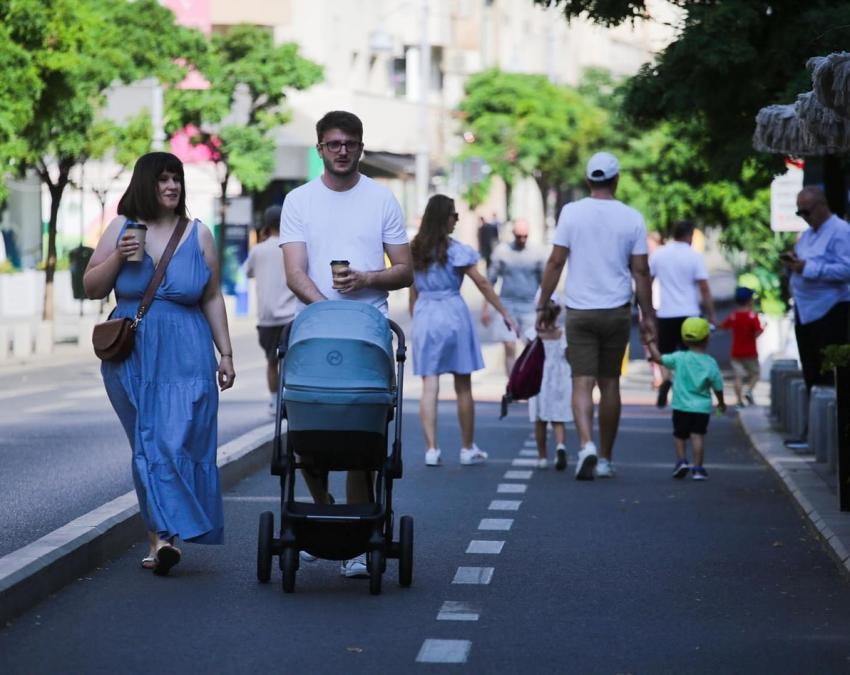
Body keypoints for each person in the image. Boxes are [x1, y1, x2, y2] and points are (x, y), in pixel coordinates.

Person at [83, 152, 235, 575]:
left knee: (178, 442)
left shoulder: (198, 234)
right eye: (163, 179)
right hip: (133, 354)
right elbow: (92, 287)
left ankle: (168, 530)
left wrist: (225, 353)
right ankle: (161, 540)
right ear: (145, 184)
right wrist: (118, 257)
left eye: (176, 179)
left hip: (188, 353)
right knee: (148, 445)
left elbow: (211, 296)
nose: (172, 187)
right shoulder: (121, 227)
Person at [280, 110, 413, 577]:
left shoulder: (381, 199)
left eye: (350, 144)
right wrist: (330, 312)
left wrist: (368, 280)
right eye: (333, 144)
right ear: (320, 148)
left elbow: (405, 269)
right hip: (314, 333)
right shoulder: (299, 200)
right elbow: (294, 272)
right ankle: (322, 510)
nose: (342, 151)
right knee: (306, 431)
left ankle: (357, 541)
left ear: (361, 147)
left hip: (369, 333)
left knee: (363, 435)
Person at [536, 151, 656, 480]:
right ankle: (604, 459)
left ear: (588, 180)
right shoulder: (632, 217)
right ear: (616, 180)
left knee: (582, 382)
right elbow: (641, 271)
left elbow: (556, 262)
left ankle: (586, 443)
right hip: (617, 311)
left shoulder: (571, 213)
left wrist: (542, 304)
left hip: (580, 311)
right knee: (610, 383)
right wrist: (648, 315)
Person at [410, 194, 517, 467]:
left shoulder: (415, 250)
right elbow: (482, 283)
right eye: (454, 215)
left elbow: (412, 289)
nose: (456, 220)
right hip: (453, 314)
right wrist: (503, 312)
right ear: (444, 218)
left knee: (429, 384)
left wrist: (415, 317)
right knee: (463, 385)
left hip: (425, 314)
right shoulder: (457, 250)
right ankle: (467, 448)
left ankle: (431, 449)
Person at [781, 186, 850, 450]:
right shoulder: (808, 236)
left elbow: (846, 269)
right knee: (810, 371)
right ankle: (812, 433)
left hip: (830, 309)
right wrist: (793, 264)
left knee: (826, 373)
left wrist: (808, 268)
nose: (803, 217)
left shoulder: (840, 231)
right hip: (806, 310)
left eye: (806, 211)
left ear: (821, 206)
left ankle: (828, 437)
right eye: (799, 212)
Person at [646, 317, 726, 480]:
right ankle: (698, 469)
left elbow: (659, 359)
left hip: (681, 406)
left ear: (683, 339)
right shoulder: (710, 363)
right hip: (701, 408)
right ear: (707, 339)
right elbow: (717, 386)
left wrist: (650, 343)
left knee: (680, 435)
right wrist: (721, 403)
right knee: (698, 436)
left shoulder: (679, 358)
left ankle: (681, 461)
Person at [649, 220, 717, 408]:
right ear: (690, 235)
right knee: (692, 355)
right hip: (690, 314)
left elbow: (647, 280)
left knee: (666, 355)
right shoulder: (694, 256)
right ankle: (686, 389)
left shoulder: (659, 254)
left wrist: (648, 310)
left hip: (666, 313)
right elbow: (704, 288)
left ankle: (667, 379)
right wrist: (711, 313)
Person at [244, 205, 296, 416]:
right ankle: (291, 401)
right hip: (291, 317)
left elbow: (247, 272)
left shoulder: (258, 250)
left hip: (266, 318)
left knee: (271, 362)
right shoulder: (291, 248)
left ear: (266, 225)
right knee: (292, 361)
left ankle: (274, 403)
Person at [482, 219, 545, 375]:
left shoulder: (537, 253)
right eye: (518, 236)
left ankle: (527, 382)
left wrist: (546, 308)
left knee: (532, 345)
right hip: (507, 306)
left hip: (529, 306)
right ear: (513, 234)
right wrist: (485, 308)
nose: (522, 239)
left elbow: (545, 283)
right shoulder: (502, 252)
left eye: (525, 236)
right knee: (509, 345)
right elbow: (489, 282)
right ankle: (511, 383)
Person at [527, 299, 573, 471]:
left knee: (540, 420)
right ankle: (560, 445)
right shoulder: (563, 334)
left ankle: (542, 457)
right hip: (559, 378)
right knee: (558, 417)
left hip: (538, 378)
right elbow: (569, 356)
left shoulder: (533, 334)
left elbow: (527, 353)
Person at [720, 286, 764, 408]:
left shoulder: (733, 316)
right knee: (755, 374)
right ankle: (749, 391)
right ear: (749, 300)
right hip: (750, 352)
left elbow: (723, 326)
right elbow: (757, 333)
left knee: (738, 376)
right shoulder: (752, 316)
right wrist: (764, 328)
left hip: (736, 352)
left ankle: (739, 401)